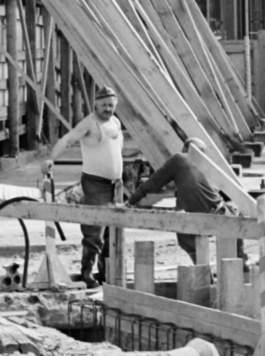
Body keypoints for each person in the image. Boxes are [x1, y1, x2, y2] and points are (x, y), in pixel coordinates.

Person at [45, 86, 124, 286]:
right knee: (94, 229)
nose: (108, 108)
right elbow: (67, 139)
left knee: (112, 229)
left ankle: (106, 272)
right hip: (95, 183)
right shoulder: (89, 124)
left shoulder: (115, 122)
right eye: (104, 105)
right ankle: (87, 273)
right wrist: (51, 160)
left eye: (111, 105)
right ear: (96, 104)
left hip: (115, 185)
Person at [128, 148, 239, 262]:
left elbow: (152, 183)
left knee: (184, 233)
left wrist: (131, 201)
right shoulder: (206, 164)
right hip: (222, 214)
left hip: (198, 221)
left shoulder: (179, 159)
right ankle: (242, 269)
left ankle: (203, 271)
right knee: (236, 230)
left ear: (185, 149)